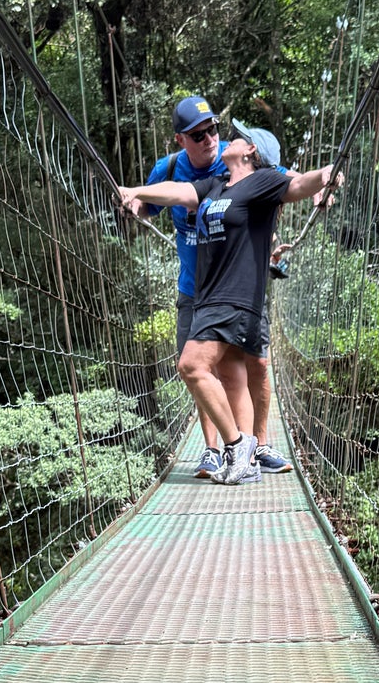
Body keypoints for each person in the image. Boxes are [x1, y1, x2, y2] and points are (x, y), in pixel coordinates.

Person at [122, 126, 342, 485]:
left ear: (249, 150)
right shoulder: (216, 185)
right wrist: (136, 191)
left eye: (236, 137)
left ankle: (237, 446)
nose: (227, 138)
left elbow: (299, 185)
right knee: (229, 375)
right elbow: (178, 193)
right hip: (210, 293)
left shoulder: (263, 182)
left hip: (235, 296)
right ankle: (248, 460)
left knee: (191, 366)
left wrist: (327, 174)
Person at [143, 96, 293, 480]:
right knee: (200, 369)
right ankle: (215, 450)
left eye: (212, 129)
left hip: (239, 287)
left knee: (252, 365)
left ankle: (252, 448)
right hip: (195, 287)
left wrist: (320, 186)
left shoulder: (236, 155)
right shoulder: (171, 168)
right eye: (198, 134)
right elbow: (158, 202)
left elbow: (279, 174)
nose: (210, 138)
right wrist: (135, 198)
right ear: (181, 140)